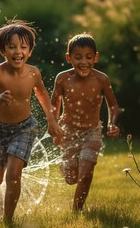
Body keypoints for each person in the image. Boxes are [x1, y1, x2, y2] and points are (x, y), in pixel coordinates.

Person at [0, 19, 63, 223]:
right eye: (12, 47)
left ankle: (8, 220)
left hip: (24, 128)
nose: (18, 51)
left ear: (30, 51)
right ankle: (4, 161)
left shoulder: (34, 73)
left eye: (23, 47)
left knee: (13, 175)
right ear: (2, 50)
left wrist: (52, 120)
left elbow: (42, 95)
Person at [51, 33, 120, 212]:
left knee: (86, 172)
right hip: (68, 131)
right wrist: (55, 128)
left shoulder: (102, 79)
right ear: (69, 58)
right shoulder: (62, 79)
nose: (84, 62)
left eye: (89, 57)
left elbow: (113, 106)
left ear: (95, 58)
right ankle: (66, 166)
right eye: (78, 57)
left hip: (92, 131)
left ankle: (77, 210)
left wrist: (112, 123)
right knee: (71, 178)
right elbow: (53, 106)